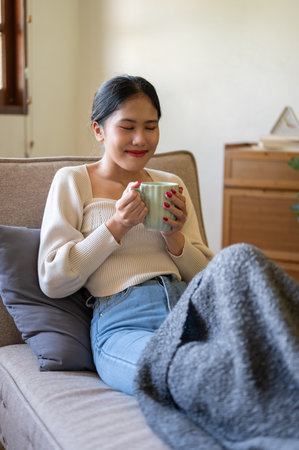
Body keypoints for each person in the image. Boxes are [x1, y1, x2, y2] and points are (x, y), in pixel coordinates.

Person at [38, 74, 213, 395]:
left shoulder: (170, 183)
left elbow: (207, 276)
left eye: (150, 126)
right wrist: (115, 226)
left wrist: (175, 238)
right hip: (124, 321)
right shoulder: (73, 181)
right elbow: (53, 279)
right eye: (127, 127)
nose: (140, 140)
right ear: (98, 130)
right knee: (185, 373)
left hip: (189, 310)